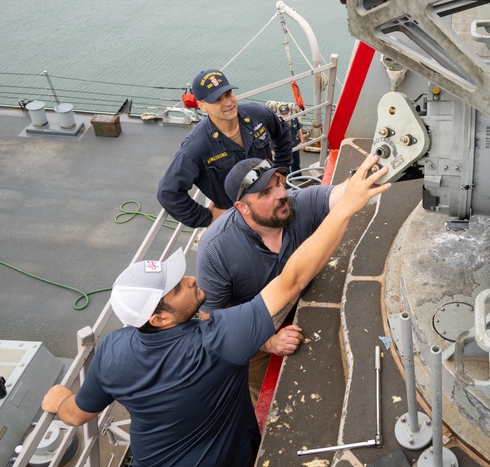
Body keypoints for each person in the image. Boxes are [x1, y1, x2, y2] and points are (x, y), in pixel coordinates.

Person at [42, 154, 390, 467]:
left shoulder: (112, 350)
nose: (192, 280)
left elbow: (74, 415)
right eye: (178, 288)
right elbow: (292, 281)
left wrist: (59, 400)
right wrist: (345, 210)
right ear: (158, 317)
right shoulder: (216, 342)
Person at [195, 156, 348, 401]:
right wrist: (269, 342)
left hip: (304, 303)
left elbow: (344, 193)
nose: (281, 194)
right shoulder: (217, 248)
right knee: (262, 401)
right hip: (254, 330)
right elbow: (212, 321)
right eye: (266, 193)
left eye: (278, 183)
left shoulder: (298, 205)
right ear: (242, 207)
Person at [157, 69, 293, 228]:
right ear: (202, 106)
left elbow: (282, 133)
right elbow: (168, 192)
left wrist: (281, 171)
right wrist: (208, 217)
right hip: (238, 221)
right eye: (217, 100)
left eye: (228, 94)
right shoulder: (196, 147)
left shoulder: (258, 114)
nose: (227, 103)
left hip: (274, 203)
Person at [279, 103, 304, 176]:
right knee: (287, 164)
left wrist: (302, 141)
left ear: (290, 111)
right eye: (283, 114)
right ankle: (288, 180)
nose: (286, 115)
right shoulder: (279, 123)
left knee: (296, 162)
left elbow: (299, 129)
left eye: (287, 113)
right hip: (285, 146)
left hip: (294, 144)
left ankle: (298, 176)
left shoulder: (294, 119)